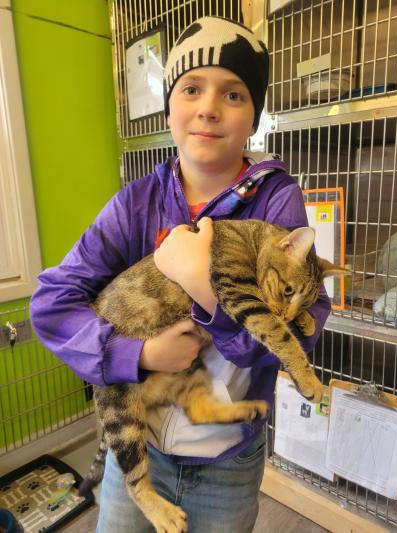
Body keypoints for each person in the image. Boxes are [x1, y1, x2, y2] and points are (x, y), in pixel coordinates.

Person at [30, 16, 331, 533]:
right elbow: (50, 302)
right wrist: (139, 354)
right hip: (143, 444)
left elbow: (297, 325)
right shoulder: (136, 202)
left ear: (255, 114)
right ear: (169, 108)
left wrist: (200, 283)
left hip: (227, 462)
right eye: (191, 88)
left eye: (234, 94)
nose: (210, 107)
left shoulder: (279, 199)